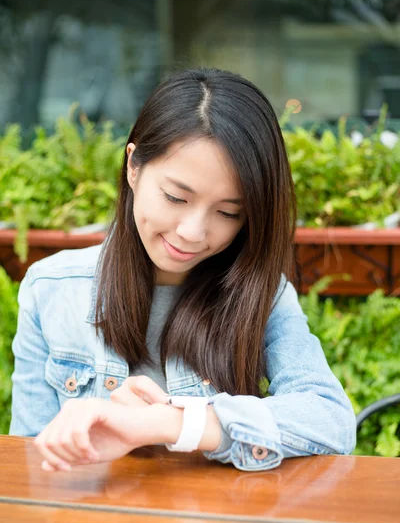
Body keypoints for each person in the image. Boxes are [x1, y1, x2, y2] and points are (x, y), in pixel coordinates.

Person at [9, 67, 356, 472]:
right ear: (133, 166)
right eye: (176, 197)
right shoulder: (51, 289)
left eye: (228, 212)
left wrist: (171, 423)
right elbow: (28, 460)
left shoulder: (262, 294)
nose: (192, 233)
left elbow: (331, 420)